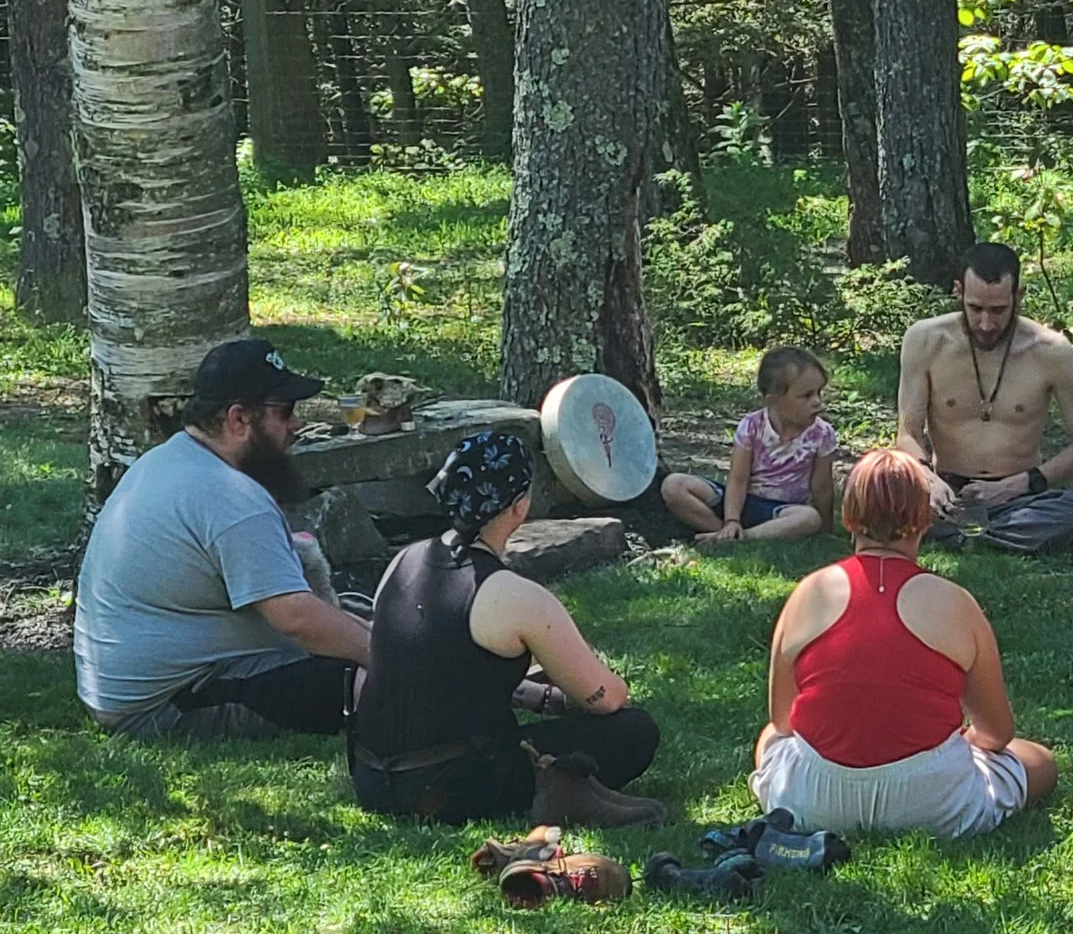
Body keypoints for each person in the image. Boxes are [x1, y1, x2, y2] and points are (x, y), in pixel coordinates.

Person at [352, 431, 665, 826]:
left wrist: (536, 695)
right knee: (633, 730)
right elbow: (605, 698)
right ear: (519, 506)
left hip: (372, 778)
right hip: (448, 787)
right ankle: (562, 794)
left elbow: (440, 669)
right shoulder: (513, 594)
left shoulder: (402, 563)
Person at [73, 338, 371, 740]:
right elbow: (297, 618)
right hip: (168, 705)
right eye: (284, 412)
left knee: (365, 629)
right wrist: (394, 662)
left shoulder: (169, 460)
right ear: (238, 419)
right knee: (371, 683)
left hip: (132, 689)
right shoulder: (230, 498)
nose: (295, 425)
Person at [751, 449, 1058, 837]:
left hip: (816, 799)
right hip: (931, 801)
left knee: (769, 737)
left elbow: (783, 720)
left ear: (849, 516)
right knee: (1039, 761)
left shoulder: (809, 592)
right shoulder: (955, 602)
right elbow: (996, 734)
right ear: (924, 519)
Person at [896, 243, 1073, 554]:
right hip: (946, 492)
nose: (985, 324)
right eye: (975, 308)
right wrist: (927, 479)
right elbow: (907, 433)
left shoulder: (1051, 351)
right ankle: (976, 534)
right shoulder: (925, 340)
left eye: (998, 311)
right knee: (871, 494)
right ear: (958, 292)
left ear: (1018, 296)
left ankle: (956, 537)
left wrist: (1018, 485)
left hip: (1018, 496)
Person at [660, 345, 844, 545]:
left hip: (782, 513)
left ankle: (741, 539)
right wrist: (732, 519)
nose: (817, 401)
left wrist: (824, 530)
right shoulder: (752, 426)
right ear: (774, 401)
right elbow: (738, 479)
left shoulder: (822, 434)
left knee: (809, 518)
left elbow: (822, 488)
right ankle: (723, 531)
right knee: (674, 485)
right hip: (742, 501)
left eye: (819, 392)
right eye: (807, 396)